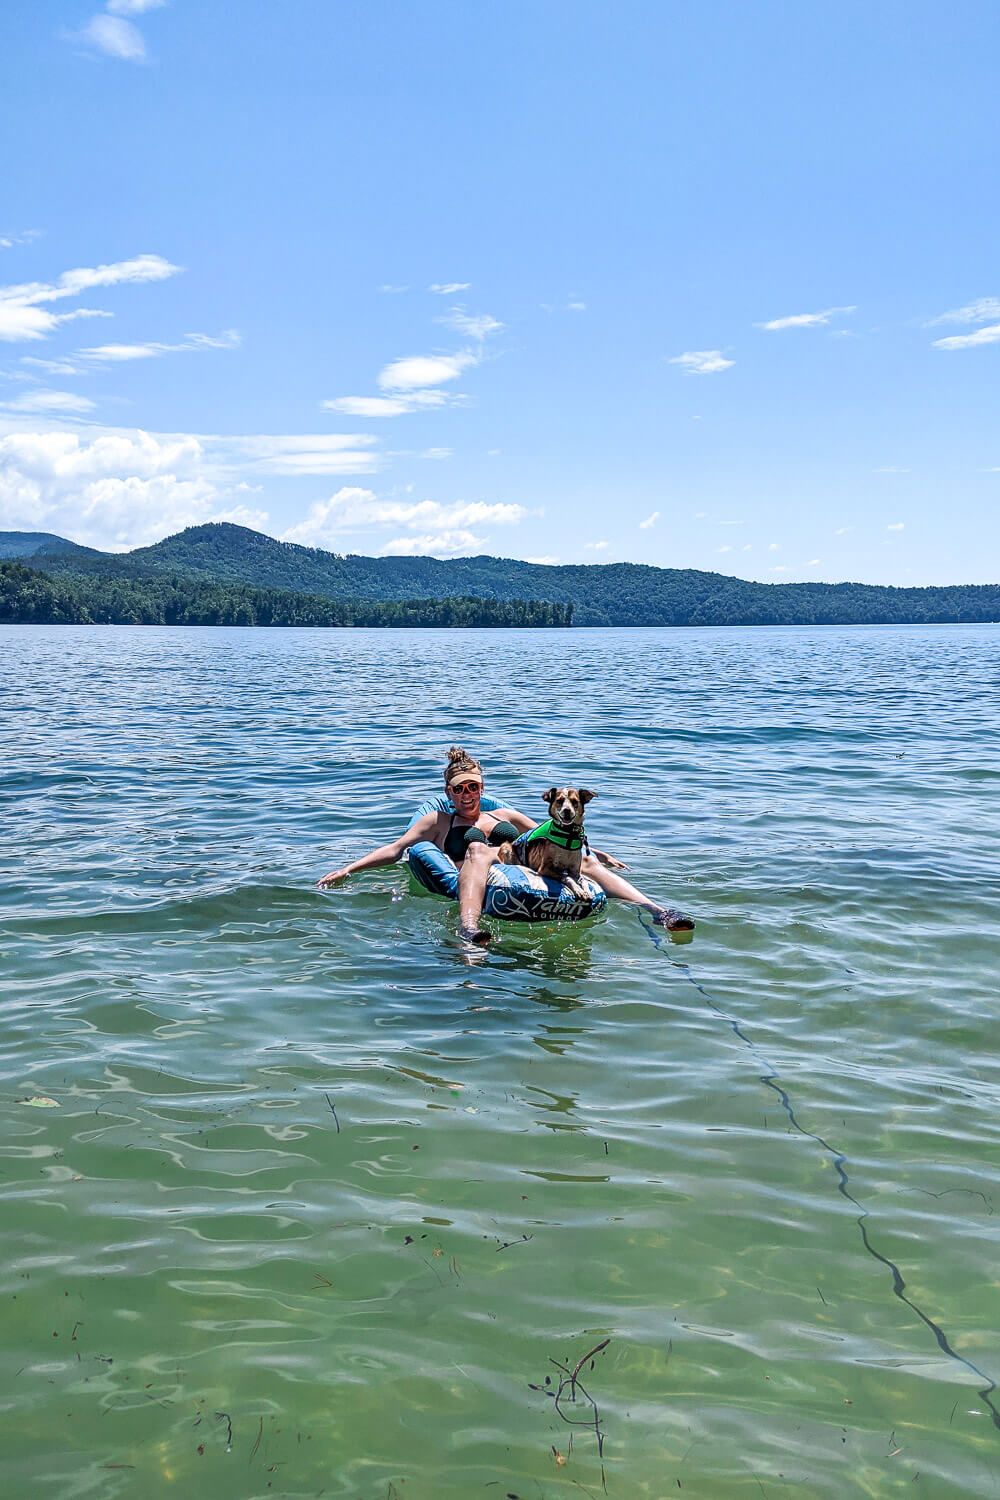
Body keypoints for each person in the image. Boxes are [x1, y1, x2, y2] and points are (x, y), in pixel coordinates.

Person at [318, 746, 694, 946]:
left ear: (482, 787)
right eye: (459, 789)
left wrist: (598, 853)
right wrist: (349, 869)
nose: (467, 794)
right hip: (478, 870)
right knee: (478, 849)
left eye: (474, 787)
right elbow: (397, 849)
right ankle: (468, 927)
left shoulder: (506, 816)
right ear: (448, 792)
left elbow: (554, 833)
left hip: (525, 868)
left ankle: (657, 911)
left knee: (584, 861)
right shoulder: (439, 822)